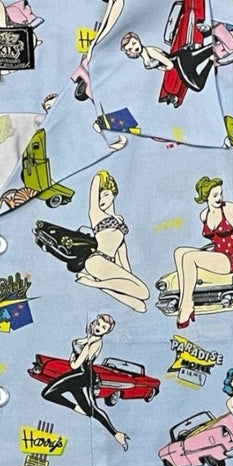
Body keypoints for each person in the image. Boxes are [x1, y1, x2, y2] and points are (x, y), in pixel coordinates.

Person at [171, 176, 233, 328]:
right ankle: (184, 302)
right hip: (217, 254)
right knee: (179, 252)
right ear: (206, 197)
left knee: (189, 258)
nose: (219, 198)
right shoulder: (203, 215)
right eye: (215, 195)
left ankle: (186, 305)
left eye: (220, 193)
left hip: (230, 258)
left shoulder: (229, 209)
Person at [39, 313, 129, 447]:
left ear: (107, 331)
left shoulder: (94, 343)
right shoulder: (90, 338)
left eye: (103, 327)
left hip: (82, 376)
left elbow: (75, 364)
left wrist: (74, 356)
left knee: (91, 409)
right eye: (99, 324)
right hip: (77, 375)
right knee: (89, 409)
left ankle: (116, 434)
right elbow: (75, 353)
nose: (99, 328)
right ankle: (79, 409)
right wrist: (75, 353)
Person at [75, 169, 148, 310]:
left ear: (113, 194)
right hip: (97, 261)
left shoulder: (119, 219)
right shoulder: (96, 214)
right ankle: (93, 283)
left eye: (105, 195)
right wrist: (102, 176)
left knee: (140, 304)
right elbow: (95, 185)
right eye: (99, 197)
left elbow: (121, 250)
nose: (101, 200)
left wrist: (129, 275)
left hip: (110, 264)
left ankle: (98, 284)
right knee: (144, 292)